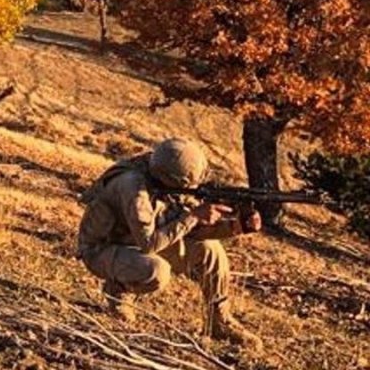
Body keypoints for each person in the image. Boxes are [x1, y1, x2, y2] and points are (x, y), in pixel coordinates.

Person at [76, 138, 262, 348]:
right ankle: (118, 290)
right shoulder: (133, 187)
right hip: (102, 248)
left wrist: (236, 226)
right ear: (174, 180)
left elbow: (189, 229)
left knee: (211, 251)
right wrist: (193, 216)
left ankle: (219, 321)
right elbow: (150, 244)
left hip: (135, 238)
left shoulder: (163, 176)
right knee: (156, 271)